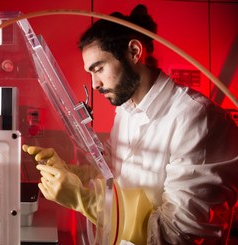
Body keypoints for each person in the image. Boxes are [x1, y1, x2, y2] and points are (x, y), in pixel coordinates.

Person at [23, 4, 238, 244]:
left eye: (99, 68)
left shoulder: (198, 119)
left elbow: (180, 234)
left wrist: (84, 199)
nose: (94, 84)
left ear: (134, 51)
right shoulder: (126, 111)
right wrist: (71, 172)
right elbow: (112, 175)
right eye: (90, 73)